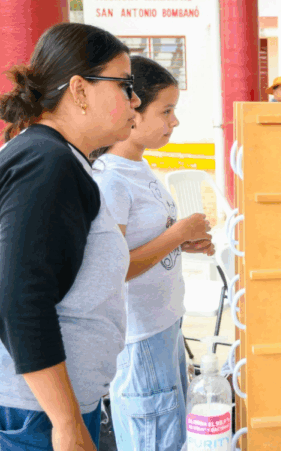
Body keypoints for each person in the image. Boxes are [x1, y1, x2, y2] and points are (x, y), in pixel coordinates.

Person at [0, 23, 139, 450]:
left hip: (45, 407)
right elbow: (20, 297)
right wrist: (65, 423)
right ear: (79, 90)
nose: (135, 100)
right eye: (124, 85)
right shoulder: (48, 162)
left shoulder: (52, 157)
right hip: (38, 415)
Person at [90, 56, 214, 451]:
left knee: (172, 434)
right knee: (154, 439)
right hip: (138, 335)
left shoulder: (139, 167)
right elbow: (113, 269)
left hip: (164, 324)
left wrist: (182, 243)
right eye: (166, 110)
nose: (174, 121)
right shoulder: (110, 179)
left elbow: (146, 246)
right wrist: (178, 232)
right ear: (132, 111)